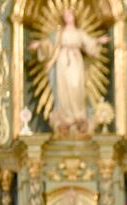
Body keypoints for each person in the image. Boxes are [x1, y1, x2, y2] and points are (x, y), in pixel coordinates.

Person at [30, 8, 109, 136]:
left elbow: (89, 43)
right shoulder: (59, 33)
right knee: (63, 89)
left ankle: (79, 116)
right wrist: (39, 45)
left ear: (74, 15)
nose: (68, 16)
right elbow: (48, 43)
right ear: (63, 18)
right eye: (65, 15)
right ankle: (65, 118)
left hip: (76, 62)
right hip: (62, 63)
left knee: (76, 86)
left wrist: (99, 41)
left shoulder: (79, 33)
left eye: (69, 14)